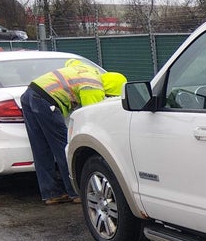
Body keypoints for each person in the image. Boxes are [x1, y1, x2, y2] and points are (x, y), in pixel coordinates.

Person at [20, 61, 126, 205]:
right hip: (46, 101)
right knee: (64, 147)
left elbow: (70, 62)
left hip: (29, 94)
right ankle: (75, 193)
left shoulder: (89, 70)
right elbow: (91, 119)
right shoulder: (93, 87)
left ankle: (51, 194)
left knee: (41, 149)